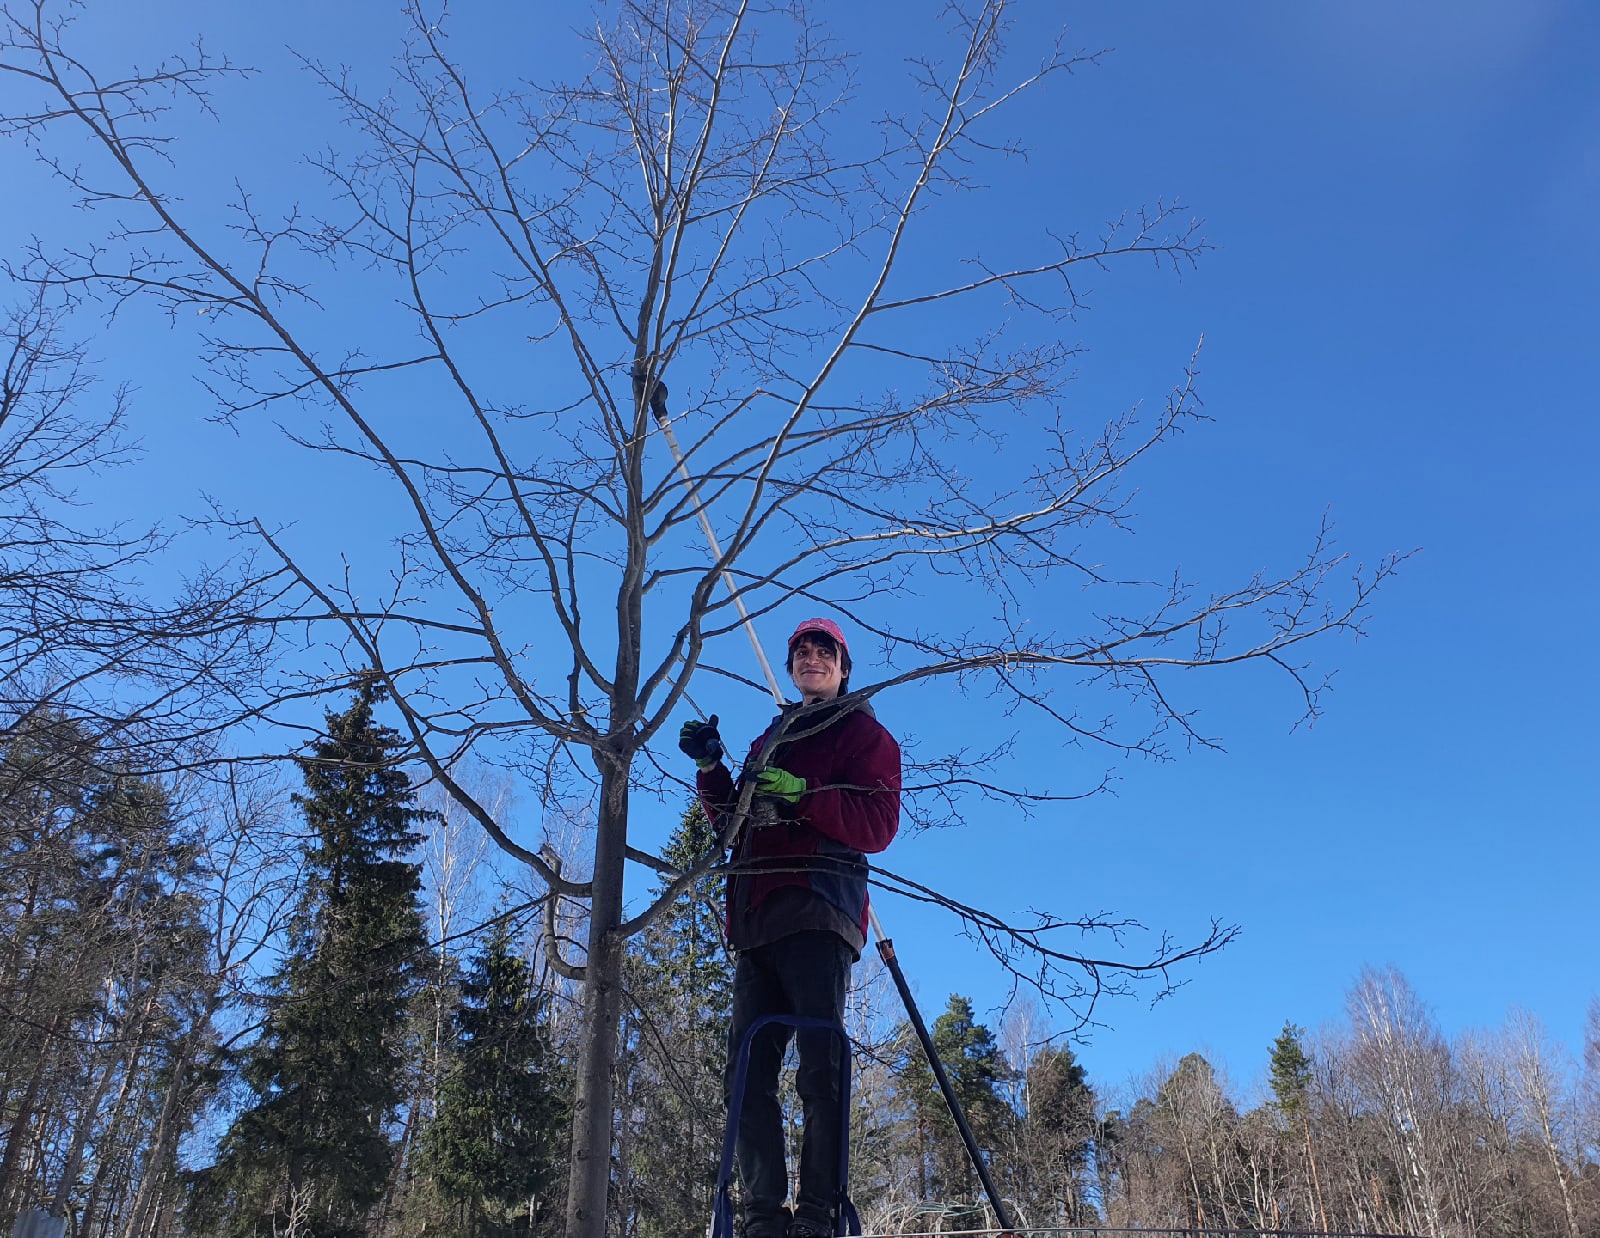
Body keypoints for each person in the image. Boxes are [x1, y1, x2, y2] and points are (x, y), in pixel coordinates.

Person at [679, 617, 901, 1238]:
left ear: (843, 666)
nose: (810, 658)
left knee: (820, 1068)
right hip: (755, 919)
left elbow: (879, 825)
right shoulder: (770, 739)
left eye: (823, 650)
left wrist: (805, 793)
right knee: (746, 1075)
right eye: (801, 650)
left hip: (818, 905)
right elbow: (732, 824)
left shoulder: (862, 733)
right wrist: (712, 768)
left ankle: (818, 1213)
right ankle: (762, 1215)